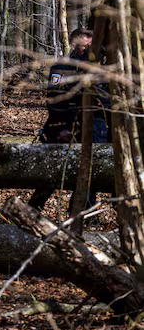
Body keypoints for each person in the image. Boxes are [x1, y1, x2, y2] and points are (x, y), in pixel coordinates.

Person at [29, 29, 111, 212]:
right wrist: (61, 128)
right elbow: (55, 99)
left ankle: (81, 211)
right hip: (66, 124)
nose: (90, 48)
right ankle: (34, 206)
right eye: (86, 44)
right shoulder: (62, 67)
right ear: (75, 45)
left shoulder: (103, 65)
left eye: (92, 44)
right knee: (56, 168)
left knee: (92, 167)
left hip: (97, 124)